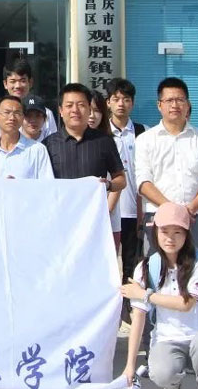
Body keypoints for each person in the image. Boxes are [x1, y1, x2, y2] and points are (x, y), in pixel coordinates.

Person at [120, 202, 198, 389]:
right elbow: (139, 317)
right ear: (155, 232)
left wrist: (145, 294)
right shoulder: (146, 267)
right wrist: (129, 366)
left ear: (187, 234)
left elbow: (186, 304)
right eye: (164, 231)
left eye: (177, 232)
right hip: (166, 339)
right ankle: (172, 385)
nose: (170, 238)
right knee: (161, 373)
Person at [135, 77, 198, 256]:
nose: (175, 105)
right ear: (159, 105)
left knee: (196, 267)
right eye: (169, 100)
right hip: (158, 217)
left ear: (188, 104)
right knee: (157, 268)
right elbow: (143, 182)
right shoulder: (145, 140)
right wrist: (173, 211)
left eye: (180, 100)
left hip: (196, 218)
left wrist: (190, 209)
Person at [42, 84, 126, 244]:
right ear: (60, 110)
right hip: (59, 222)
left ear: (89, 109)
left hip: (94, 222)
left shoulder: (104, 141)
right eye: (69, 105)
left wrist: (108, 185)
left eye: (81, 105)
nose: (75, 110)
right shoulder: (48, 144)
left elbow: (121, 180)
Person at [106, 78, 148, 326]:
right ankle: (111, 309)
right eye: (116, 99)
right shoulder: (101, 134)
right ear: (108, 103)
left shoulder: (143, 133)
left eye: (126, 99)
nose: (121, 104)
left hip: (134, 210)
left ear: (132, 103)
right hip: (109, 211)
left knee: (132, 264)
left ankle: (129, 308)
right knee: (109, 263)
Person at [0, 56, 57, 145]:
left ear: (30, 82)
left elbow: (53, 145)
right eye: (13, 81)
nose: (18, 86)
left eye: (22, 81)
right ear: (5, 84)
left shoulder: (46, 113)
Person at [0, 95, 52, 179]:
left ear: (22, 118)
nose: (12, 118)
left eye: (17, 113)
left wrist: (19, 185)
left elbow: (47, 184)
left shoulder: (38, 150)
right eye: (7, 112)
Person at [88, 91, 123, 247]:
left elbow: (119, 180)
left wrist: (106, 211)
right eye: (88, 110)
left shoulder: (111, 141)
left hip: (107, 216)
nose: (92, 116)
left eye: (97, 111)